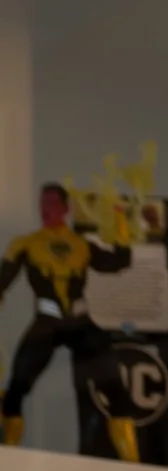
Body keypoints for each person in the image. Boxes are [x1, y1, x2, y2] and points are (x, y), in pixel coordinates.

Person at [0, 183, 133, 451]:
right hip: (46, 323)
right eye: (42, 202)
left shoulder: (81, 245)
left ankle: (132, 458)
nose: (45, 208)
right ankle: (9, 453)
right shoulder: (25, 244)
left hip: (80, 323)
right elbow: (3, 279)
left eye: (51, 202)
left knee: (114, 385)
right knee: (18, 385)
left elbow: (119, 262)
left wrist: (120, 220)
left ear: (64, 208)